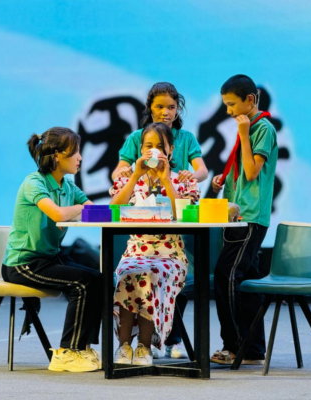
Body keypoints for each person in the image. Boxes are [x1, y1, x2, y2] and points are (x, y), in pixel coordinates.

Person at [112, 82, 207, 359]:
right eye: (148, 147)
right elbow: (114, 207)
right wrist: (133, 174)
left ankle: (145, 345)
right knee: (127, 274)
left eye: (160, 147)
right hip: (136, 250)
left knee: (150, 275)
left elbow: (182, 213)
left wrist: (167, 179)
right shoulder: (133, 178)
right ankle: (124, 346)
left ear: (171, 150)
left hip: (169, 252)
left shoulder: (182, 181)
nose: (154, 151)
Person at [1, 127, 103, 373]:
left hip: (49, 257)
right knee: (82, 283)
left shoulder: (68, 186)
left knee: (97, 279)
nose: (80, 157)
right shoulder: (34, 182)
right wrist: (81, 210)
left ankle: (82, 348)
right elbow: (58, 214)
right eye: (75, 152)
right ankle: (67, 352)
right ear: (57, 155)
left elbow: (96, 212)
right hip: (23, 263)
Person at [210, 75, 278, 366]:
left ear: (250, 100)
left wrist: (244, 133)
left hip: (249, 216)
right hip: (237, 214)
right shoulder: (250, 127)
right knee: (247, 280)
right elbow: (242, 174)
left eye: (231, 105)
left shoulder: (262, 128)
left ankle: (234, 346)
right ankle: (253, 349)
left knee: (226, 275)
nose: (228, 111)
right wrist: (223, 181)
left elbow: (252, 172)